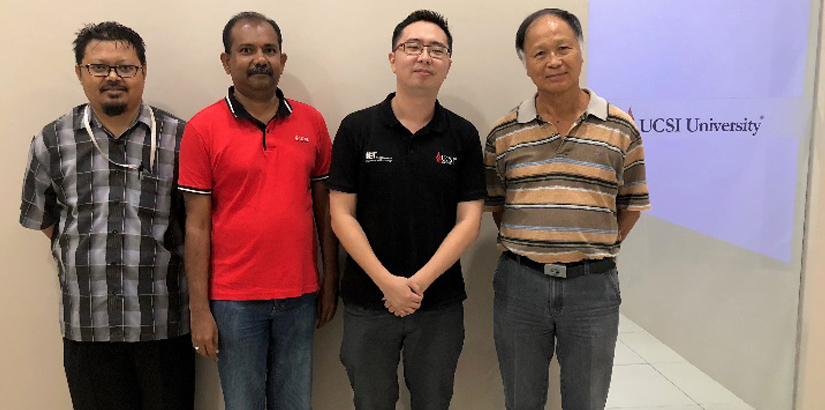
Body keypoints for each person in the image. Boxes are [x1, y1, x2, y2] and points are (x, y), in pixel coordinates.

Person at [19, 21, 193, 410]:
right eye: (99, 67)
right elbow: (46, 220)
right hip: (88, 324)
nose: (113, 77)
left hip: (162, 323)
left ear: (143, 72)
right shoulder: (52, 140)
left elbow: (194, 224)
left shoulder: (179, 138)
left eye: (125, 67)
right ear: (80, 72)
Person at [484, 8, 652, 410]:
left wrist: (589, 245)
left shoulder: (620, 129)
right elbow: (498, 205)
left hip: (592, 289)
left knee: (588, 401)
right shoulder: (504, 133)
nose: (554, 61)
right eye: (539, 53)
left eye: (563, 48)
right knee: (521, 399)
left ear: (581, 52)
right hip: (520, 285)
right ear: (526, 64)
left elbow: (630, 204)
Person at [178, 11, 338, 410]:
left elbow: (326, 213)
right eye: (246, 50)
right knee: (243, 404)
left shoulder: (312, 122)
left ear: (283, 60)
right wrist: (199, 310)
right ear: (227, 61)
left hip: (300, 295)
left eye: (269, 50)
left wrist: (330, 280)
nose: (259, 59)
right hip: (233, 300)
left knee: (294, 403)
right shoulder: (202, 128)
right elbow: (196, 227)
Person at [328, 9, 485, 410]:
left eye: (436, 49)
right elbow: (341, 214)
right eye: (412, 47)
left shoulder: (463, 135)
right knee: (371, 401)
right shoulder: (357, 128)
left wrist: (417, 285)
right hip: (369, 300)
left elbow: (469, 222)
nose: (424, 57)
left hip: (438, 303)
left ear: (449, 64)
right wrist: (387, 283)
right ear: (393, 58)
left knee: (434, 402)